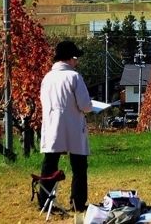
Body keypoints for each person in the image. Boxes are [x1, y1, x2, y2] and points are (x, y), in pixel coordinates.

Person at [39, 40, 93, 213]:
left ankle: (44, 201)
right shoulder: (74, 77)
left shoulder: (47, 78)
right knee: (78, 166)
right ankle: (77, 203)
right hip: (73, 125)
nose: (76, 61)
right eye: (75, 57)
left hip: (52, 125)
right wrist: (90, 106)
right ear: (70, 58)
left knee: (50, 164)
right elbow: (84, 105)